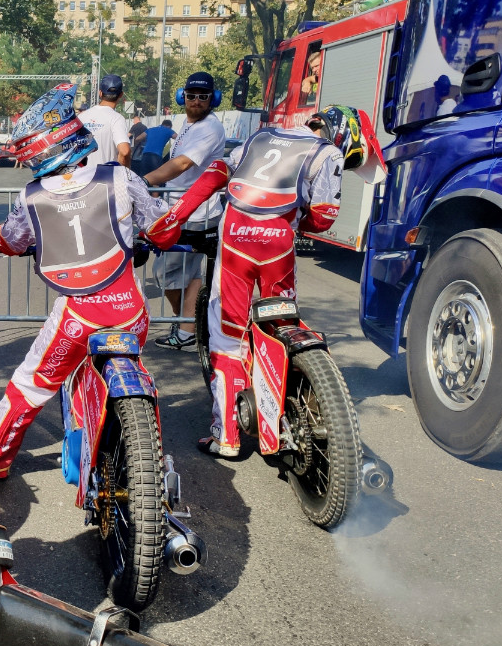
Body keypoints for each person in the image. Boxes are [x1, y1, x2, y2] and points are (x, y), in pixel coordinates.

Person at [149, 105, 374, 457]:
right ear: (345, 135)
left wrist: (177, 216)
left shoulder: (261, 135)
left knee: (226, 335)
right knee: (281, 322)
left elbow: (217, 172)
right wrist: (296, 220)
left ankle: (226, 436)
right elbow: (324, 217)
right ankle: (282, 408)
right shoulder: (326, 152)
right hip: (278, 245)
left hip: (236, 236)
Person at [0, 83, 169, 479]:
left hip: (76, 317)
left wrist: (4, 243)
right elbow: (158, 222)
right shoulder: (119, 177)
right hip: (131, 313)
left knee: (29, 386)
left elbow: (11, 240)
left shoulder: (31, 196)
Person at [141, 72, 227, 351]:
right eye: (191, 95)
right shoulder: (186, 124)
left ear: (213, 99)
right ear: (182, 97)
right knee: (187, 275)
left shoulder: (209, 128)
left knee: (165, 272)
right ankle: (190, 329)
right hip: (181, 208)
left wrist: (144, 180)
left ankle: (189, 324)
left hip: (197, 213)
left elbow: (182, 164)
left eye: (203, 96)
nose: (196, 101)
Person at [79, 73, 132, 168]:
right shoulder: (116, 118)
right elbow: (124, 152)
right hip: (105, 179)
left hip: (81, 178)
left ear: (100, 93)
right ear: (121, 95)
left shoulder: (81, 117)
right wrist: (124, 174)